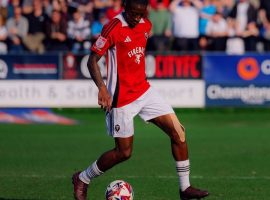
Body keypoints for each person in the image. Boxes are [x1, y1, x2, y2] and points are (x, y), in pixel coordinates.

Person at [72, 0, 209, 200]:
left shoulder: (146, 23)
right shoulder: (114, 27)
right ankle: (82, 178)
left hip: (144, 91)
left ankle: (185, 188)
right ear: (125, 8)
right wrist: (102, 88)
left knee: (178, 133)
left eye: (141, 13)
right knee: (124, 153)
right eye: (133, 14)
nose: (137, 18)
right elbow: (92, 59)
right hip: (121, 98)